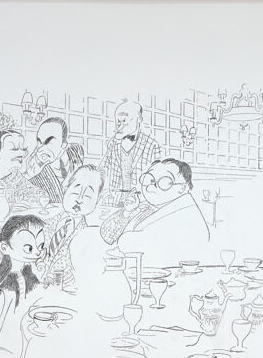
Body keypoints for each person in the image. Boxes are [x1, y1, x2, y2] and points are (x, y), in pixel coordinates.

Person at [116, 158, 211, 262]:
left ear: (182, 188)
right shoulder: (151, 207)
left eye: (164, 182)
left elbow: (128, 244)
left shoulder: (185, 214)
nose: (152, 185)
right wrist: (128, 212)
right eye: (149, 179)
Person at [39, 163, 104, 292]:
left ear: (97, 200)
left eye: (88, 195)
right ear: (65, 187)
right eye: (75, 191)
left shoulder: (88, 238)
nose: (79, 199)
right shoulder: (43, 225)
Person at [102, 100, 161, 234]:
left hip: (141, 204)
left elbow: (155, 180)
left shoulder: (152, 145)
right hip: (114, 202)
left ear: (139, 119)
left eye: (124, 121)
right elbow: (104, 168)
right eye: (118, 121)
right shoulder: (113, 143)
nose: (119, 126)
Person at [24, 116, 84, 203]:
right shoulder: (35, 168)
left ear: (64, 144)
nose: (41, 148)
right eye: (39, 142)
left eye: (49, 142)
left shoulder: (75, 152)